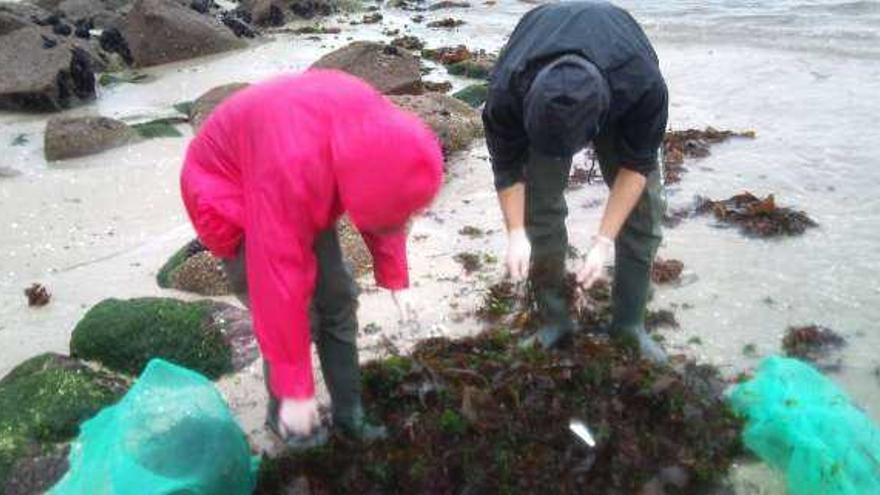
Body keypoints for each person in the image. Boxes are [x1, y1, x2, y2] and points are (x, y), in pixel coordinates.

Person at [180, 70, 444, 446]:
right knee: (295, 314)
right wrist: (295, 389)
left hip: (306, 168)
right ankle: (283, 416)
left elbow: (389, 200)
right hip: (227, 189)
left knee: (337, 297)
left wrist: (395, 277)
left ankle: (349, 415)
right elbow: (276, 281)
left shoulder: (381, 134)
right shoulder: (291, 169)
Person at [483, 1, 668, 362]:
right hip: (536, 63)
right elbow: (507, 168)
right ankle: (554, 320)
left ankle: (629, 325)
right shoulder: (505, 92)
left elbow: (636, 167)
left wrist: (602, 241)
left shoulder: (643, 85)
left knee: (644, 214)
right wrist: (516, 232)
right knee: (539, 208)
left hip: (617, 75)